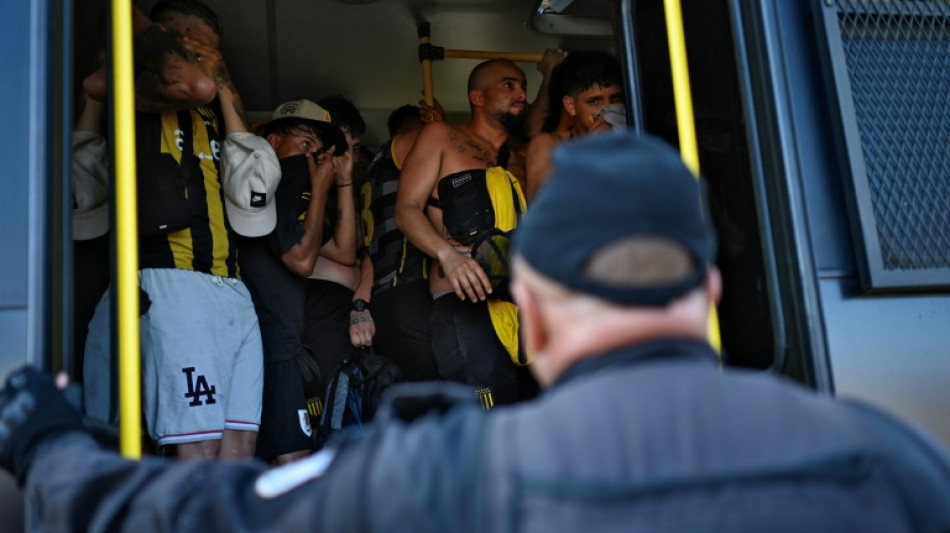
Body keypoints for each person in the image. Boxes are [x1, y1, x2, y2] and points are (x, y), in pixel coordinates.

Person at [4, 132, 950, 531]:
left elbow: (203, 515)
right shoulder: (892, 463)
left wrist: (47, 442)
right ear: (704, 287)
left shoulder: (440, 468)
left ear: (526, 302)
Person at [82, 0, 265, 460]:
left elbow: (248, 173)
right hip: (173, 280)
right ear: (171, 36)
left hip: (230, 284)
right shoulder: (137, 86)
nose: (205, 58)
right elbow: (96, 86)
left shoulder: (213, 106)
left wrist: (221, 76)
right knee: (197, 445)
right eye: (196, 44)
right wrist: (166, 53)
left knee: (238, 445)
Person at [395, 58, 533, 407]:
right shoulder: (443, 135)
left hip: (518, 306)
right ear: (477, 96)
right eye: (508, 85)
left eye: (523, 86)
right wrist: (449, 256)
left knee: (525, 417)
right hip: (463, 300)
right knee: (485, 417)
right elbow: (406, 209)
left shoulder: (521, 158)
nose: (521, 93)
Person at [237, 99, 349, 464]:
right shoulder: (271, 179)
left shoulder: (294, 186)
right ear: (271, 140)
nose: (311, 160)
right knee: (294, 460)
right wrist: (318, 186)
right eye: (304, 144)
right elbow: (302, 261)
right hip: (268, 341)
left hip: (279, 342)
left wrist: (336, 184)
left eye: (318, 154)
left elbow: (345, 252)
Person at [358, 104, 444, 382]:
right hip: (411, 284)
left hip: (385, 292)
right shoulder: (411, 147)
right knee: (432, 394)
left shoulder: (373, 166)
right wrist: (440, 130)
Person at [300, 95, 366, 393]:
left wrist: (360, 303)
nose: (349, 156)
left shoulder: (356, 187)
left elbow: (366, 254)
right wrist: (343, 181)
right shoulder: (298, 184)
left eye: (356, 147)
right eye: (343, 146)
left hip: (352, 308)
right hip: (315, 307)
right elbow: (344, 252)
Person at [525, 50, 624, 201]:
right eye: (595, 101)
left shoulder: (635, 137)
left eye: (615, 98)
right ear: (571, 105)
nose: (607, 109)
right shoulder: (550, 146)